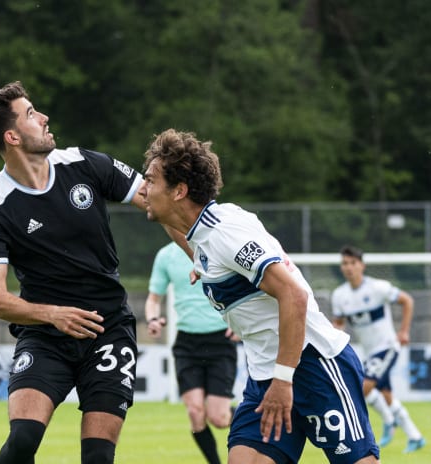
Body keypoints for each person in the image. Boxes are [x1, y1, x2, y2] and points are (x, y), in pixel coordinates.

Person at [139, 128, 380, 464]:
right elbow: (180, 231)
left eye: (150, 181)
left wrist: (284, 381)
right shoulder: (203, 235)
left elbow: (293, 294)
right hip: (266, 373)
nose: (143, 189)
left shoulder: (225, 233)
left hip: (313, 363)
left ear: (179, 191)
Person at [0, 81, 146, 464]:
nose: (44, 117)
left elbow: (163, 203)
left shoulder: (84, 164)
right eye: (32, 113)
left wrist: (203, 255)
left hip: (108, 329)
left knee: (98, 456)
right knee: (22, 441)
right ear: (12, 136)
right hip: (46, 336)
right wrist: (53, 314)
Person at [145, 242, 238, 464]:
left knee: (219, 418)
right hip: (186, 343)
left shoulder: (218, 246)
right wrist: (153, 319)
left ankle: (246, 414)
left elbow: (245, 285)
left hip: (220, 341)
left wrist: (240, 320)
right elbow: (153, 299)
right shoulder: (166, 255)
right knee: (195, 413)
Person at [330, 246, 426, 454]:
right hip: (369, 352)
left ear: (361, 266)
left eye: (352, 263)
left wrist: (404, 332)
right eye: (344, 263)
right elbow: (338, 324)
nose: (348, 268)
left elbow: (407, 300)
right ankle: (415, 437)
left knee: (361, 387)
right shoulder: (339, 295)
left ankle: (389, 421)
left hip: (387, 347)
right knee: (386, 394)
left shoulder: (377, 288)